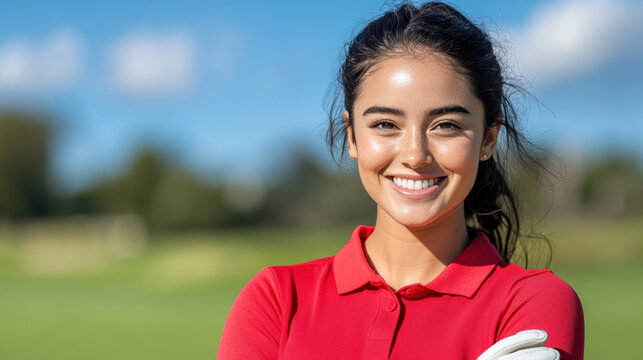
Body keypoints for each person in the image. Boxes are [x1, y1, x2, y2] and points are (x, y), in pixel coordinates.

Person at [217, 2, 584, 359]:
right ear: (352, 136)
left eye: (447, 126)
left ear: (488, 137)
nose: (414, 155)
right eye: (385, 125)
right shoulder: (278, 299)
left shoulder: (534, 302)